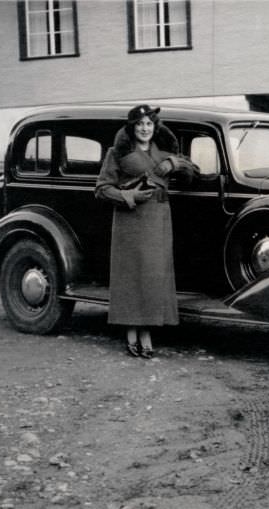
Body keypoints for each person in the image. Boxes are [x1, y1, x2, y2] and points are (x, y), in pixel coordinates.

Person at [95, 105, 197, 359]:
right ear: (132, 128)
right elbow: (101, 188)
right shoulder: (116, 154)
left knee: (153, 276)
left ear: (155, 127)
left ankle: (147, 332)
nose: (144, 129)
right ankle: (131, 331)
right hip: (130, 220)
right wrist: (128, 195)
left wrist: (174, 162)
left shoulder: (165, 153)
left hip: (158, 219)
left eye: (149, 124)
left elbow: (193, 172)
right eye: (139, 124)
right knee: (131, 277)